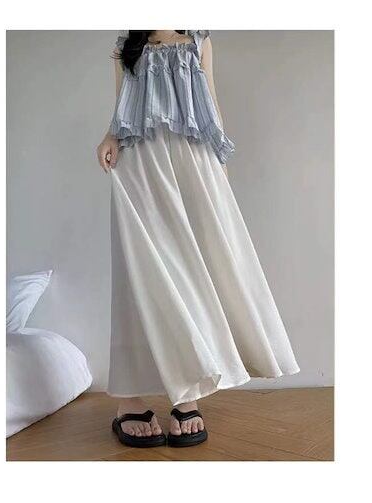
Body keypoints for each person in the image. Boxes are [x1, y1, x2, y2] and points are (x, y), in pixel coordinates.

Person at [97, 30, 300, 448]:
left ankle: (187, 391)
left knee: (196, 272)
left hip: (194, 163)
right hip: (140, 165)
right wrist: (108, 137)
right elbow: (121, 107)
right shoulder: (126, 45)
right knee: (140, 276)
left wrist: (220, 170)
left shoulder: (199, 40)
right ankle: (129, 398)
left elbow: (211, 102)